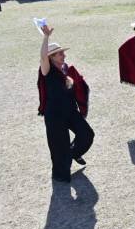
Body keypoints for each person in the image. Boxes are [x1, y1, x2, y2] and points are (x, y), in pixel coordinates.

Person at [38, 25, 94, 183]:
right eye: (60, 53)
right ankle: (61, 173)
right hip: (54, 115)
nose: (64, 55)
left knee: (87, 134)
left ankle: (74, 153)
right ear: (52, 57)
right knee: (59, 145)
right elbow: (43, 57)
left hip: (69, 111)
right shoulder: (47, 71)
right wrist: (46, 37)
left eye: (63, 52)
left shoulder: (65, 69)